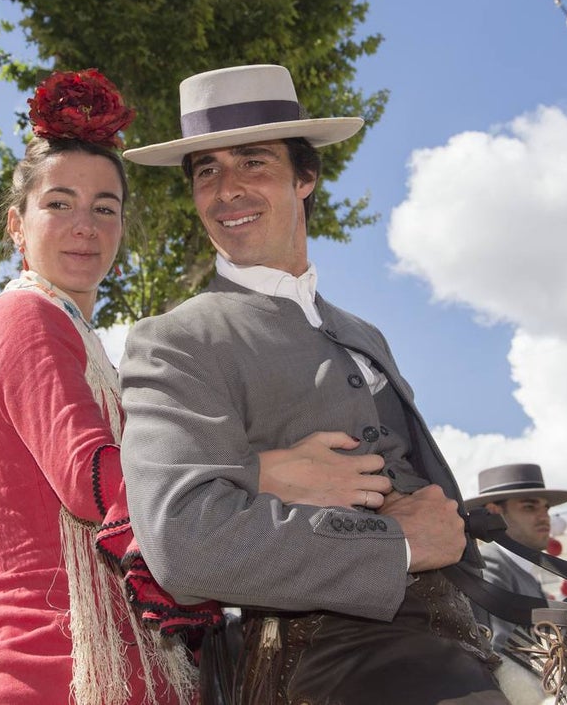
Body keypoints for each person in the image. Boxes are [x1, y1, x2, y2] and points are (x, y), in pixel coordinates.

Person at [0, 67, 378, 705]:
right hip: (46, 670)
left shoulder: (79, 339)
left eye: (104, 208)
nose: (84, 225)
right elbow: (94, 482)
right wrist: (268, 471)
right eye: (58, 204)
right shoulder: (26, 315)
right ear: (16, 226)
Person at [120, 64, 510, 704]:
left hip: (461, 620)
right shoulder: (176, 339)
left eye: (252, 162)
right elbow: (185, 546)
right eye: (207, 172)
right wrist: (399, 544)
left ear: (305, 177)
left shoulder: (362, 331)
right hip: (328, 653)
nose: (227, 190)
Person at [463, 463, 567, 651]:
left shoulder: (524, 574)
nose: (544, 517)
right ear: (494, 511)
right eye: (529, 507)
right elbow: (503, 653)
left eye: (546, 508)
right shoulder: (490, 566)